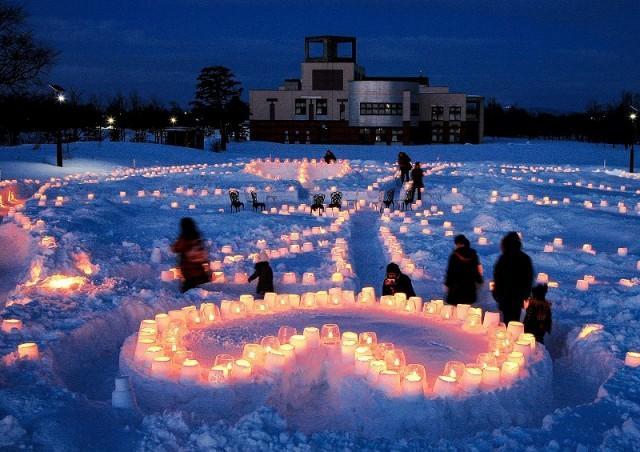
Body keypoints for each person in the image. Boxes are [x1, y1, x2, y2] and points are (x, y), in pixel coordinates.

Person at [492, 231, 534, 325]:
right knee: (514, 320)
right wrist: (526, 294)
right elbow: (529, 278)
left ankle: (508, 337)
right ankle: (512, 336)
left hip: (505, 295)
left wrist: (496, 292)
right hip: (517, 296)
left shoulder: (503, 258)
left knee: (507, 318)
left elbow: (498, 277)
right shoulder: (525, 258)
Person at [171, 217, 210, 293]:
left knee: (188, 287)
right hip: (199, 269)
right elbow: (203, 253)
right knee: (196, 286)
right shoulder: (197, 237)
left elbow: (175, 248)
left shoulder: (184, 239)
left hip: (188, 270)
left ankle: (188, 298)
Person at [444, 234, 483, 305]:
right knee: (466, 309)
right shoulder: (473, 255)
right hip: (469, 288)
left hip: (456, 289)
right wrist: (479, 280)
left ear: (457, 243)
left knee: (456, 311)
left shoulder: (454, 256)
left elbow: (450, 272)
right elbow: (476, 270)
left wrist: (447, 284)